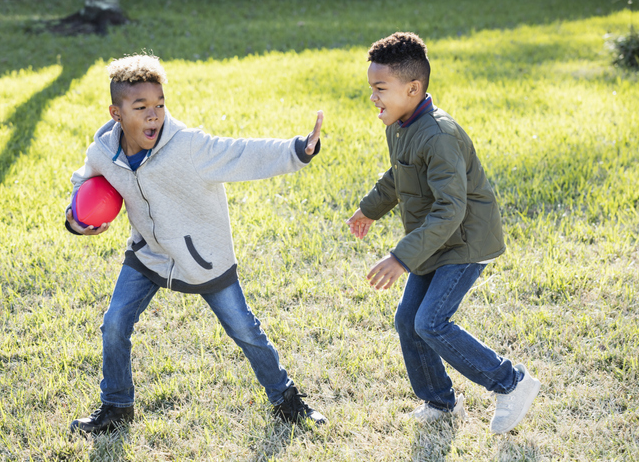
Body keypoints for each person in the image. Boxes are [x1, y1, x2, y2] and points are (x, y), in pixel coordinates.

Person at [66, 53, 326, 435]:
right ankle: (117, 405)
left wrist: (298, 149)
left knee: (245, 331)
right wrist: (75, 222)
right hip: (149, 255)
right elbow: (83, 185)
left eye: (159, 104)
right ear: (116, 113)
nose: (154, 115)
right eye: (141, 107)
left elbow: (243, 153)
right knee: (114, 324)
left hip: (203, 259)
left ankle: (287, 401)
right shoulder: (103, 152)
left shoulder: (188, 145)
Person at [346, 32, 540, 434]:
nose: (373, 98)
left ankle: (512, 382)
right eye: (371, 89)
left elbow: (452, 209)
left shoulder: (439, 135)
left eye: (380, 89)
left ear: (413, 88)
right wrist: (369, 209)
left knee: (431, 322)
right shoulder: (400, 126)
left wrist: (400, 257)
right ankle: (440, 401)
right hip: (434, 239)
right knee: (408, 321)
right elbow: (398, 178)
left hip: (465, 242)